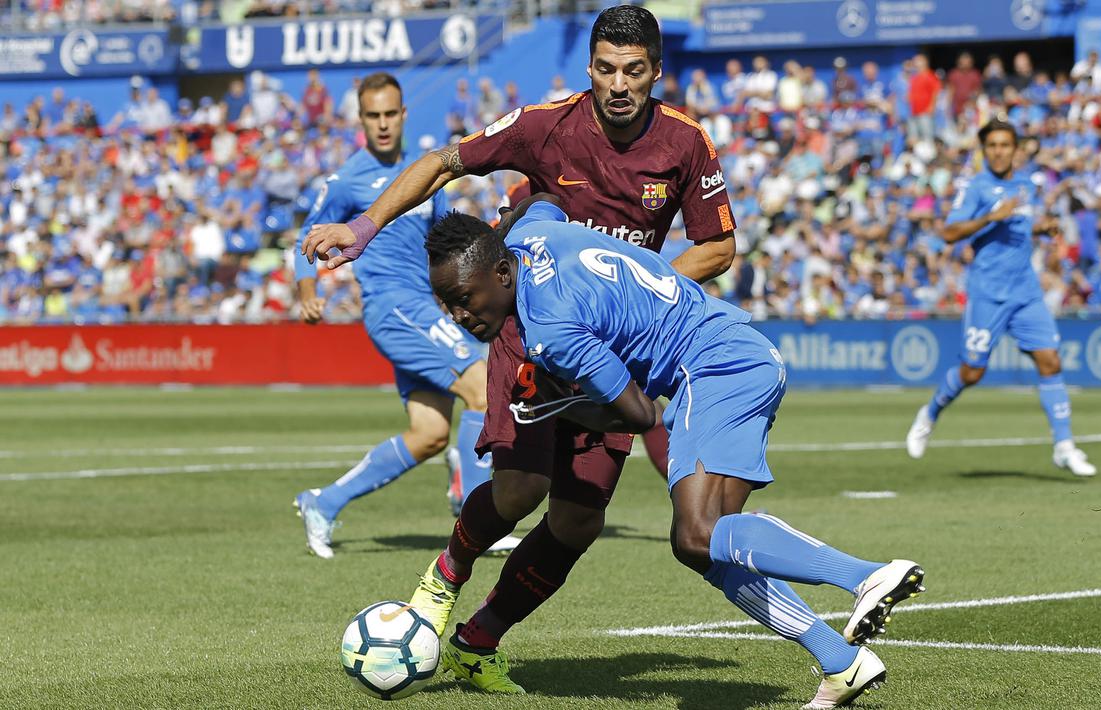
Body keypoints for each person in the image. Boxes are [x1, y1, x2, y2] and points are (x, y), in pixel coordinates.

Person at [301, 5, 737, 693]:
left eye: (633, 71)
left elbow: (717, 245)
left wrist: (637, 287)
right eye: (604, 69)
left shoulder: (685, 143)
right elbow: (443, 161)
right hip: (530, 331)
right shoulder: (545, 124)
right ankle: (440, 585)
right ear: (588, 68)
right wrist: (363, 225)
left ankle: (478, 641)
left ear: (655, 72)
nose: (617, 84)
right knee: (519, 489)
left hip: (613, 349)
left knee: (577, 518)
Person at [425, 198, 925, 708]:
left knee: (698, 532)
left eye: (466, 297)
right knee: (699, 548)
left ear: (503, 271)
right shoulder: (534, 235)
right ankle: (840, 662)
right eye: (448, 303)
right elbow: (544, 203)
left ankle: (864, 575)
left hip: (711, 367)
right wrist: (506, 223)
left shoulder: (552, 330)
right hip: (742, 352)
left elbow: (642, 416)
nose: (461, 314)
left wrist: (558, 406)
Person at [290, 72, 518, 559]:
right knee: (483, 387)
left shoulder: (421, 177)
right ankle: (478, 514)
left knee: (431, 434)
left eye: (390, 114)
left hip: (422, 308)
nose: (383, 124)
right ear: (361, 119)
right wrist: (308, 291)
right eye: (373, 116)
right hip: (394, 309)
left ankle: (322, 503)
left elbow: (445, 242)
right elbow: (304, 237)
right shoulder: (349, 179)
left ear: (403, 114)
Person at [905, 118, 1098, 477]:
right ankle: (929, 413)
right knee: (973, 372)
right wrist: (993, 217)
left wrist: (1040, 227)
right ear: (984, 150)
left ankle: (1065, 445)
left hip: (1025, 291)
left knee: (1050, 361)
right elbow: (949, 231)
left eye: (1005, 145)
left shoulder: (1026, 186)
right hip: (988, 293)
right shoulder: (977, 187)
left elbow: (1020, 225)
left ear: (1016, 150)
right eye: (991, 145)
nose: (998, 151)